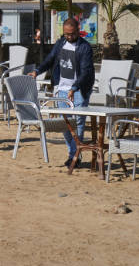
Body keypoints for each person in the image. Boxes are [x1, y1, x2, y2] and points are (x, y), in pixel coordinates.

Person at [29, 18, 95, 169]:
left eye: (72, 34)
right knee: (64, 123)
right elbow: (50, 59)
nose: (69, 37)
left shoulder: (85, 48)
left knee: (78, 122)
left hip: (79, 90)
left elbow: (86, 72)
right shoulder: (60, 43)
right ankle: (72, 152)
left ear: (78, 31)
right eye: (66, 34)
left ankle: (75, 157)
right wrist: (37, 71)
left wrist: (75, 88)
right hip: (61, 88)